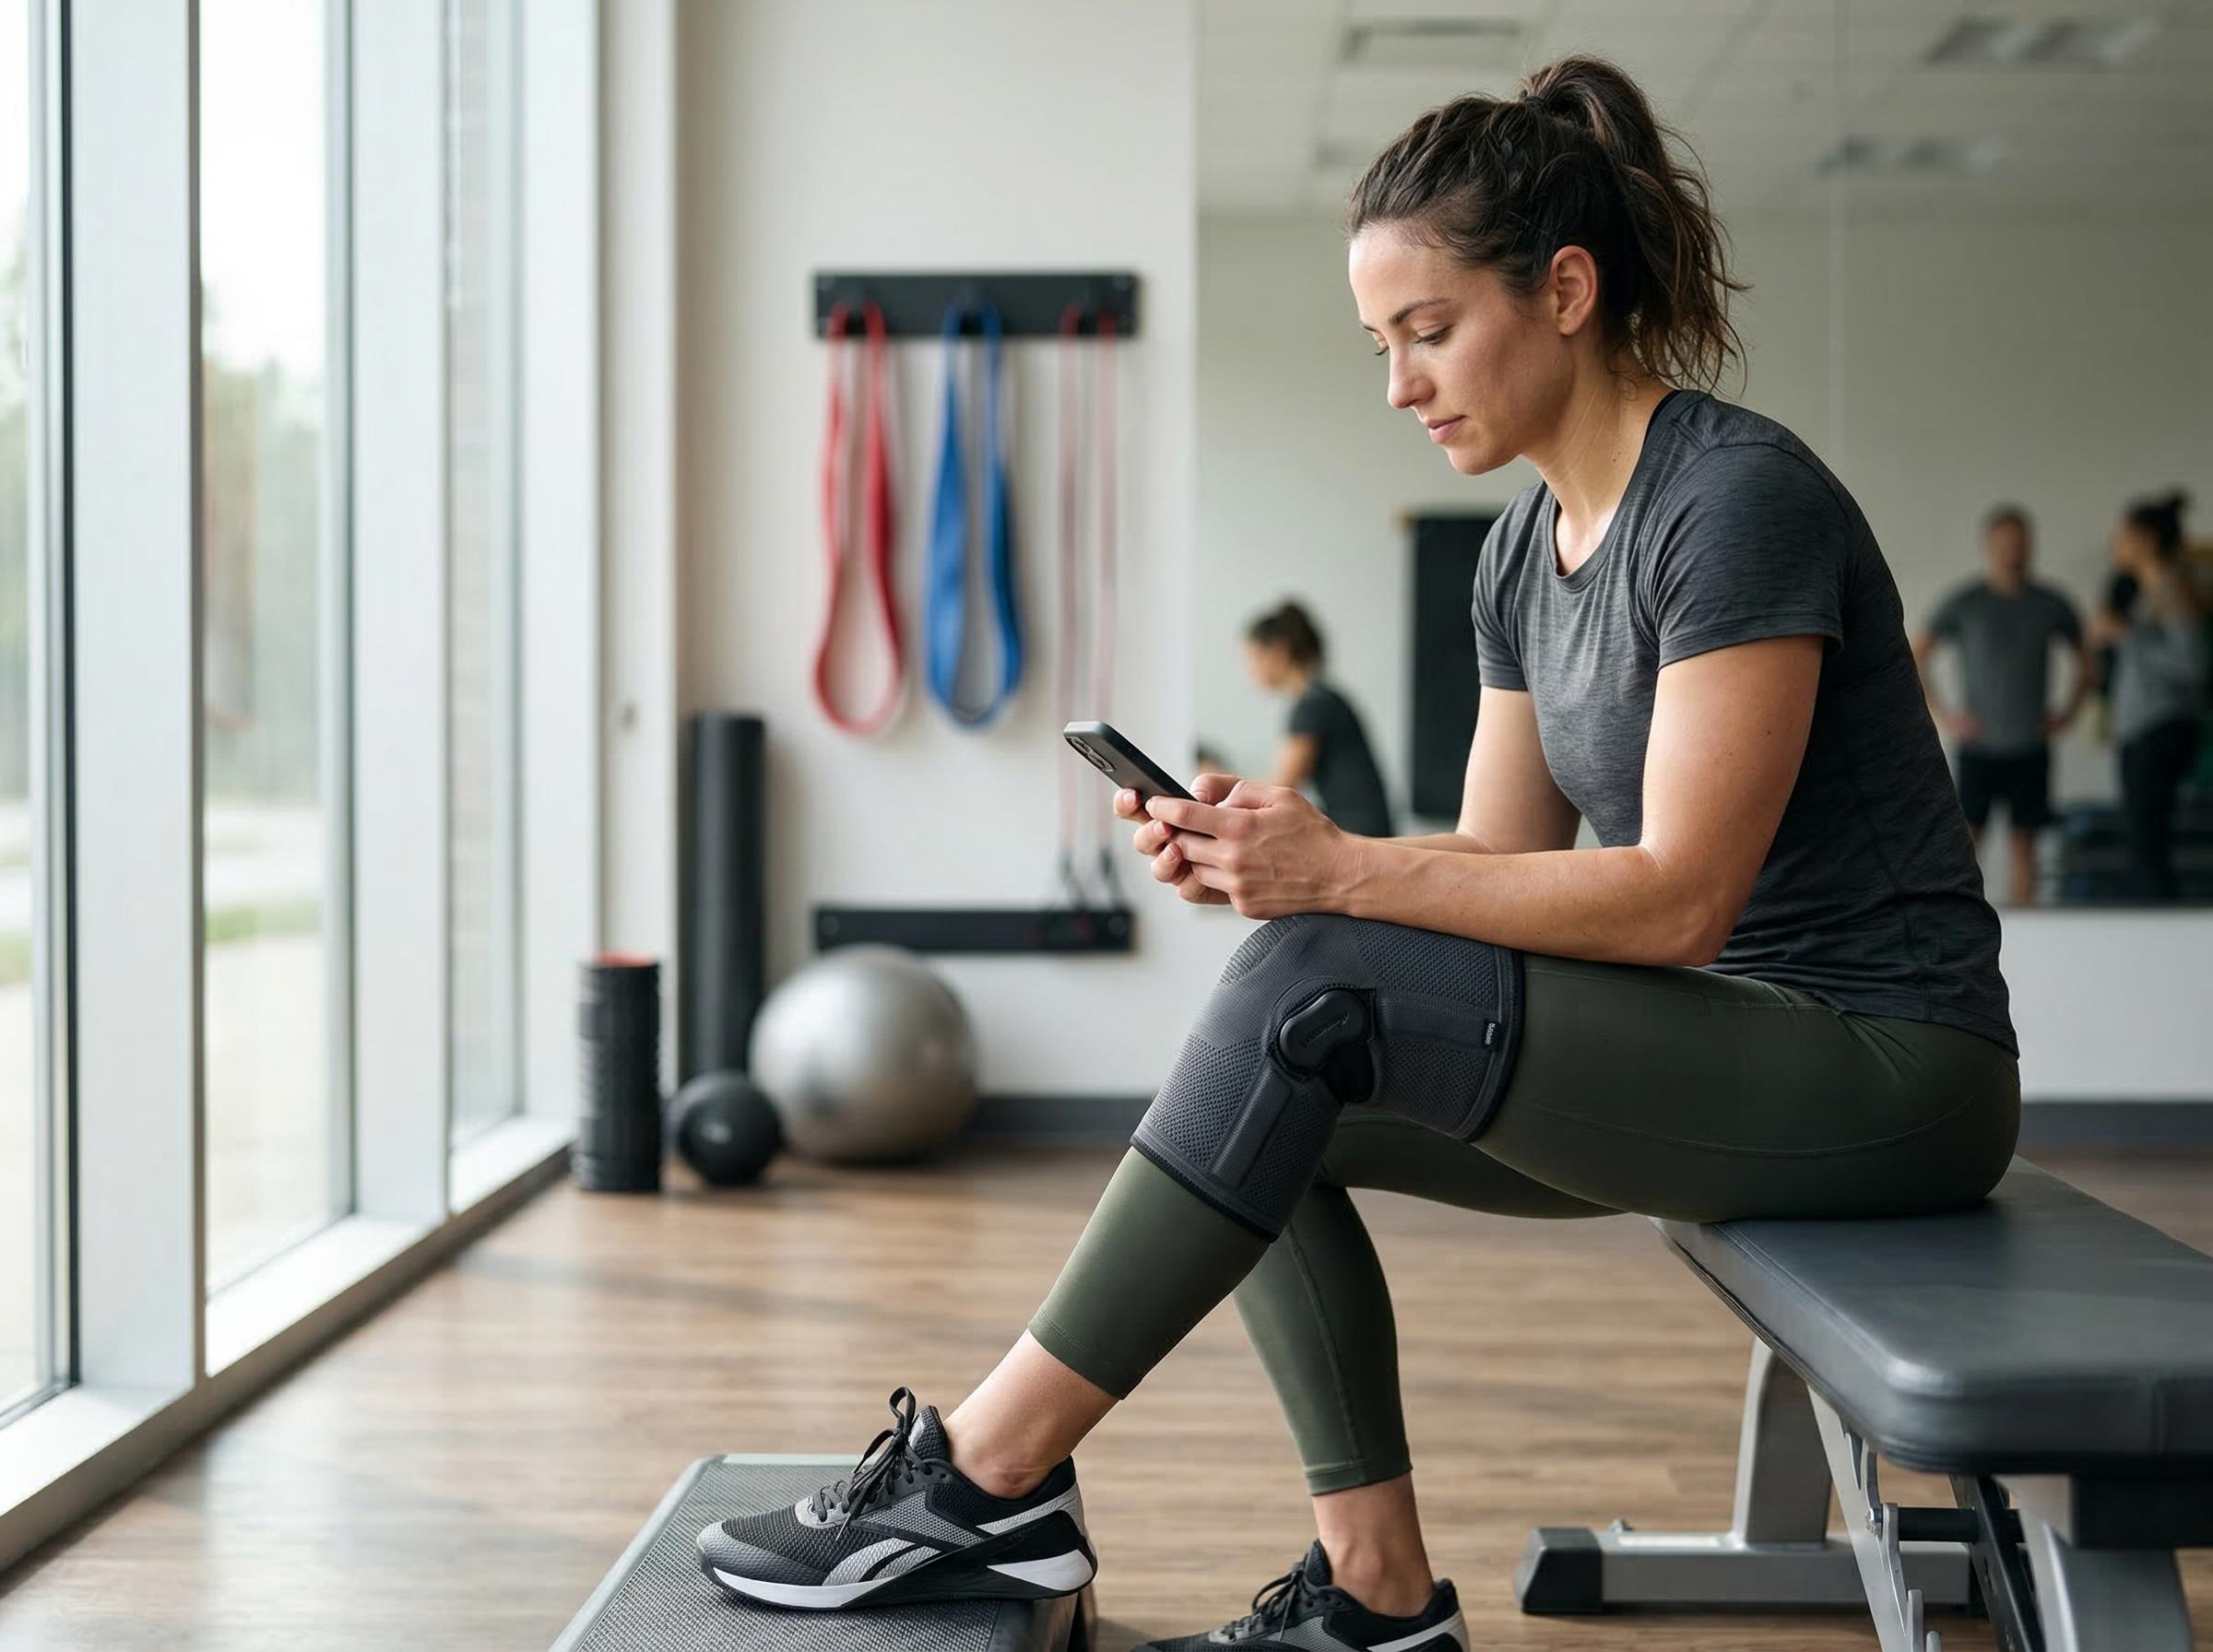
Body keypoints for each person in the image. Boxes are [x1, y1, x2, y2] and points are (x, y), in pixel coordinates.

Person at [693, 57, 2018, 1651]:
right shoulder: (1522, 553)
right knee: (1281, 1067)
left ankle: (984, 1476)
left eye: (1429, 329)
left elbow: (1678, 897)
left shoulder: (1733, 502)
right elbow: (1493, 863)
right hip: (1722, 1050)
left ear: (1567, 291)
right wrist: (1279, 858)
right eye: (1380, 343)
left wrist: (1336, 880)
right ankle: (1376, 1596)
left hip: (1885, 1067)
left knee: (1311, 990)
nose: (1399, 382)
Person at [1912, 505, 2089, 906]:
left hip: (2030, 743)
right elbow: (1917, 651)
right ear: (1989, 545)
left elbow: (2087, 658)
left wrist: (2069, 710)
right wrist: (1944, 713)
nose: (2014, 550)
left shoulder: (2050, 603)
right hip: (1979, 745)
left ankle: (2027, 924)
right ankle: (1967, 924)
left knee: (2025, 841)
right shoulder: (1966, 602)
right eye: (2006, 542)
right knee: (1969, 841)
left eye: (2021, 542)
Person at [2088, 492, 2207, 900]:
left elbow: (2192, 666)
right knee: (2143, 844)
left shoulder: (2172, 588)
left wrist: (2126, 635)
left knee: (2148, 846)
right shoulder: (2144, 593)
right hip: (2141, 728)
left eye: (2123, 535)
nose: (2115, 543)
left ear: (2147, 540)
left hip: (2162, 728)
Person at [1244, 600, 1396, 840]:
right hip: (1366, 830)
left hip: (1362, 835)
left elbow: (1282, 786)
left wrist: (1220, 779)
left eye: (1253, 658)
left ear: (1279, 652)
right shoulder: (1325, 697)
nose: (1250, 670)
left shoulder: (1312, 707)